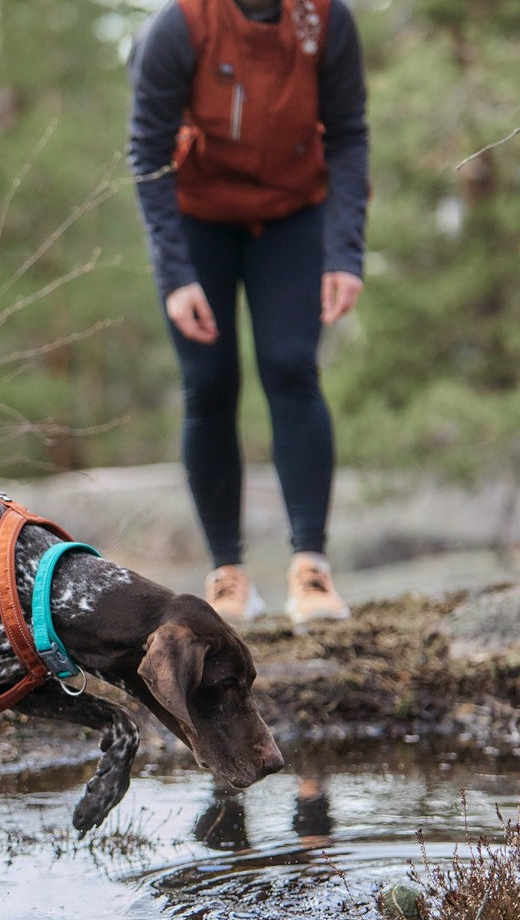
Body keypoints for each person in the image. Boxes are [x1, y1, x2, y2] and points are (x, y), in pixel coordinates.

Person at [127, 0, 369, 627]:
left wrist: (344, 253)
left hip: (291, 215)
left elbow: (347, 134)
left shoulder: (325, 21)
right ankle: (227, 574)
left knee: (291, 367)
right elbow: (148, 152)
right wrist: (175, 275)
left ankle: (310, 568)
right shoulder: (180, 26)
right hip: (197, 217)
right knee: (208, 383)